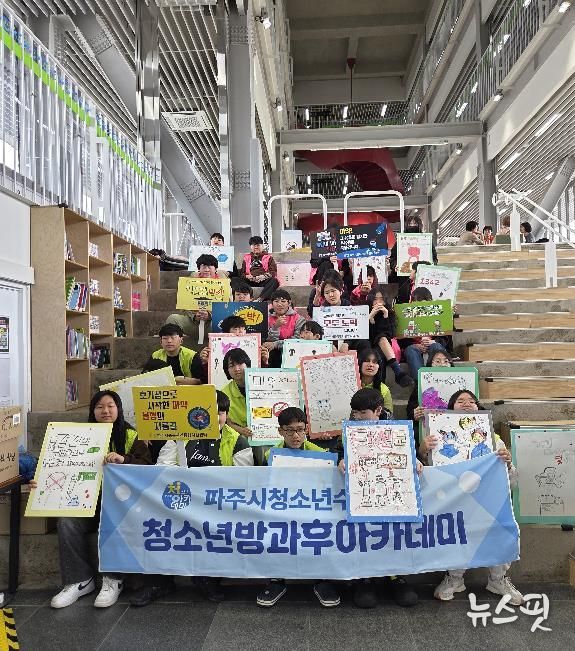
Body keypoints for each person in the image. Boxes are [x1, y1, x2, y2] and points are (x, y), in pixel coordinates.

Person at [130, 390, 254, 607]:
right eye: (208, 413)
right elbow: (162, 468)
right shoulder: (179, 434)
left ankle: (207, 578)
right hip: (180, 497)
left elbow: (242, 481)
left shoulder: (238, 442)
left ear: (226, 415)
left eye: (220, 413)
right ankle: (158, 582)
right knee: (151, 519)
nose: (214, 418)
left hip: (218, 502)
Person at [46, 391, 152, 609]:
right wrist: (42, 482)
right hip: (86, 503)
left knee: (111, 518)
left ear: (118, 409)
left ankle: (113, 579)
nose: (105, 411)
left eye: (110, 406)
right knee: (66, 523)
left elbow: (147, 466)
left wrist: (124, 459)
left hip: (120, 505)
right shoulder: (78, 436)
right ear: (92, 411)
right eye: (99, 407)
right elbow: (58, 466)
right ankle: (79, 580)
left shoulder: (131, 435)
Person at [419, 389, 523, 606]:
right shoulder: (436, 437)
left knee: (501, 529)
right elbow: (428, 477)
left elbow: (511, 482)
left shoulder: (494, 440)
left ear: (478, 407)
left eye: (471, 401)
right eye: (460, 401)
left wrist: (507, 463)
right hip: (453, 500)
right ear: (450, 408)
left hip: (488, 501)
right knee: (454, 533)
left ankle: (498, 580)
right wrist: (423, 451)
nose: (466, 404)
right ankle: (454, 579)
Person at [339, 388, 420, 609]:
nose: (357, 417)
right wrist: (341, 460)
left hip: (391, 492)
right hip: (364, 494)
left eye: (363, 412)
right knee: (365, 531)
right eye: (355, 412)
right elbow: (340, 451)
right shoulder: (350, 430)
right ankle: (365, 577)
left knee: (393, 531)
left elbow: (408, 453)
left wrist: (415, 460)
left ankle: (395, 576)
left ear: (378, 410)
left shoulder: (397, 429)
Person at [257, 407, 341, 609]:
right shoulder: (270, 455)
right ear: (280, 431)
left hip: (313, 509)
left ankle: (322, 579)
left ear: (306, 429)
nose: (295, 436)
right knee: (275, 532)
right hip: (281, 509)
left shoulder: (321, 455)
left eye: (300, 430)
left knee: (322, 532)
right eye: (289, 430)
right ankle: (277, 580)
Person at [166, 254, 227, 336]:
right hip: (193, 323)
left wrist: (210, 316)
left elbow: (227, 307)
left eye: (209, 267)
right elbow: (184, 306)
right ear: (199, 269)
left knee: (225, 321)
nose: (206, 270)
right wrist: (194, 316)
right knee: (172, 318)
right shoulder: (190, 282)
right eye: (203, 267)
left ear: (215, 269)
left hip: (213, 323)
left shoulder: (224, 284)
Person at [366, 284, 413, 387]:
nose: (378, 302)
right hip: (370, 345)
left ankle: (380, 388)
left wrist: (386, 316)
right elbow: (366, 335)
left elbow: (390, 334)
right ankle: (398, 371)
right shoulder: (366, 313)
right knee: (381, 340)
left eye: (381, 299)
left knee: (381, 347)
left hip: (386, 347)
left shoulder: (390, 313)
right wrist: (370, 318)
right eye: (375, 299)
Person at [400, 287, 449, 381]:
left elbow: (445, 338)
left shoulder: (439, 314)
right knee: (411, 350)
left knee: (436, 346)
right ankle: (421, 383)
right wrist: (416, 345)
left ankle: (440, 380)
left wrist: (433, 342)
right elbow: (402, 340)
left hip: (433, 344)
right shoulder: (405, 314)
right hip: (414, 347)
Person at [406, 348, 454, 428]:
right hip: (428, 427)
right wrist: (414, 414)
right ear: (430, 365)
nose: (442, 365)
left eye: (446, 361)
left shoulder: (460, 384)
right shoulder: (422, 385)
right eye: (438, 361)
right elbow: (410, 411)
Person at [264, 289, 307, 367]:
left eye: (283, 301)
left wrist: (276, 344)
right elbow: (268, 341)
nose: (279, 304)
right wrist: (276, 327)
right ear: (272, 304)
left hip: (292, 351)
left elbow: (298, 339)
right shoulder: (267, 318)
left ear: (289, 303)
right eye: (276, 301)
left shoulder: (299, 319)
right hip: (272, 353)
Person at [220, 347, 252, 438]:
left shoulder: (261, 384)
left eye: (240, 363)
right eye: (232, 366)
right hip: (238, 436)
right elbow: (227, 422)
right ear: (227, 370)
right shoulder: (224, 393)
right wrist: (242, 430)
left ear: (247, 365)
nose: (237, 369)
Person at [240, 235, 279, 301]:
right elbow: (242, 273)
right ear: (250, 247)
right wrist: (247, 276)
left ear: (262, 246)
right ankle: (245, 299)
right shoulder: (246, 258)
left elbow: (273, 272)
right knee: (236, 280)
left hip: (263, 280)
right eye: (253, 245)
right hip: (250, 280)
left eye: (258, 245)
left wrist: (263, 276)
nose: (256, 247)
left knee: (274, 281)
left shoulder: (269, 257)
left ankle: (260, 299)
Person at [358, 348, 393, 414]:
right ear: (359, 363)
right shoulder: (350, 385)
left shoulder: (384, 389)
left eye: (375, 362)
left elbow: (389, 415)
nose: (371, 365)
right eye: (367, 361)